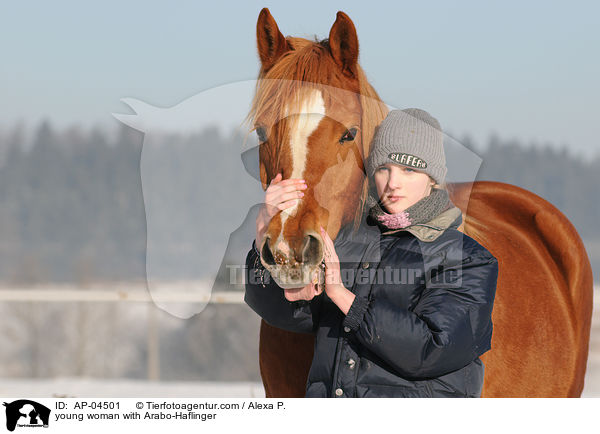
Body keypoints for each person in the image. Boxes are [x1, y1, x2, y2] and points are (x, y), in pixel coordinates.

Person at [245, 108, 498, 398]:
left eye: (409, 169)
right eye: (383, 169)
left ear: (432, 178)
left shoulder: (467, 259)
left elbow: (433, 349)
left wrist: (342, 296)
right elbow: (285, 315)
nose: (392, 183)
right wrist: (265, 244)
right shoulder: (349, 244)